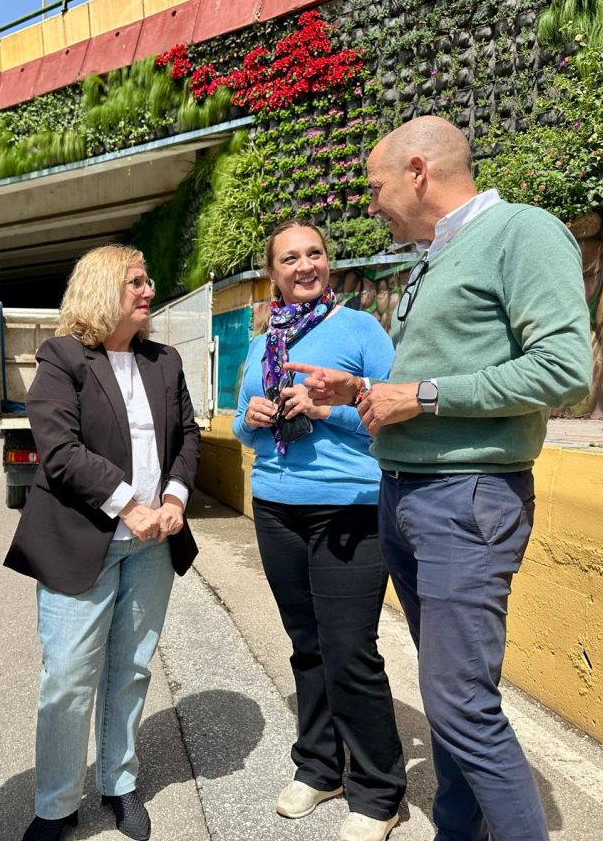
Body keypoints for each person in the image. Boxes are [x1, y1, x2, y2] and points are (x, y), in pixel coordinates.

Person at [289, 116, 592, 841]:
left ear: (417, 170)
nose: (371, 203)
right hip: (409, 496)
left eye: (375, 185)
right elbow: (442, 374)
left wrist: (417, 394)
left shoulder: (524, 231)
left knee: (458, 704)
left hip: (467, 497)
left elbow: (564, 370)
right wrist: (360, 390)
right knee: (448, 694)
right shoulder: (435, 255)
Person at [5, 245, 200, 841]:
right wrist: (128, 505)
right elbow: (59, 452)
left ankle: (119, 783)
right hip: (84, 540)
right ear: (100, 290)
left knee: (130, 669)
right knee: (68, 677)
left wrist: (173, 499)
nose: (148, 290)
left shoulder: (164, 360)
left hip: (153, 546)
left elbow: (188, 435)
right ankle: (56, 804)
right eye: (134, 282)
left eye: (147, 279)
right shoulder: (62, 357)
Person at [232, 221, 405, 841]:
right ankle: (320, 766)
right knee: (306, 643)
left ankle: (379, 791)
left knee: (349, 648)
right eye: (289, 258)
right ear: (272, 273)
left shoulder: (360, 329)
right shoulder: (262, 343)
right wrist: (250, 420)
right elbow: (242, 424)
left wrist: (330, 411)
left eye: (315, 254)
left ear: (327, 263)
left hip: (350, 508)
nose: (304, 265)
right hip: (277, 506)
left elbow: (393, 416)